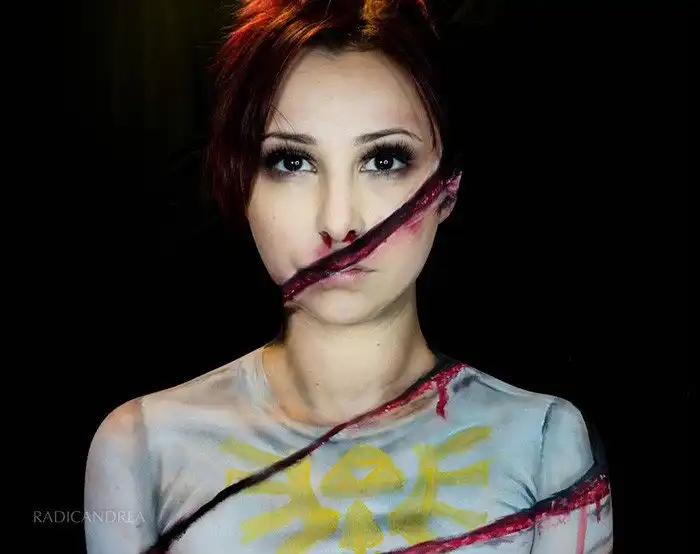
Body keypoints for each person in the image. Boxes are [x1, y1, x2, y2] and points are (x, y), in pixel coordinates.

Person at [84, 1, 613, 553]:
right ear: (239, 184)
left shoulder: (546, 449)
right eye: (292, 162)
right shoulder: (144, 448)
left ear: (448, 190)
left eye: (384, 161)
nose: (339, 223)